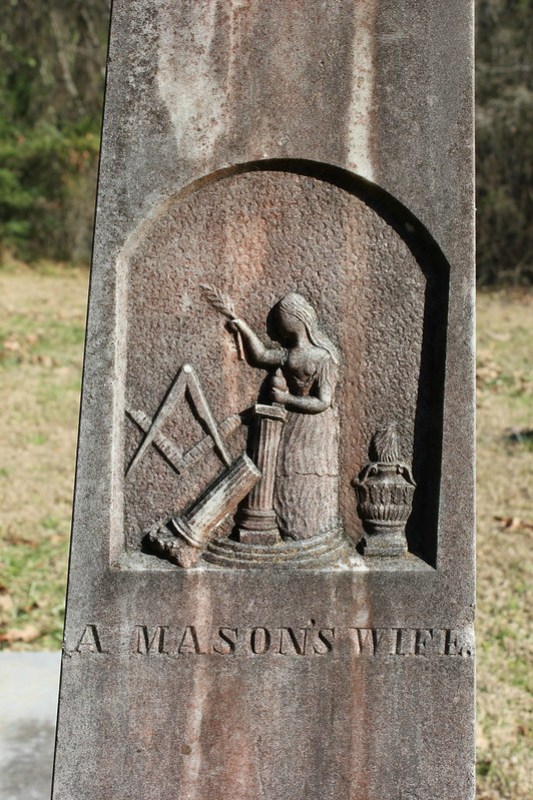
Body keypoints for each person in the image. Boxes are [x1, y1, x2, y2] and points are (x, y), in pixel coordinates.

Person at [229, 292, 340, 540]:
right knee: (286, 472)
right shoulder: (288, 355)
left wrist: (285, 399)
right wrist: (243, 327)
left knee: (310, 475)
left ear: (297, 318)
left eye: (281, 319)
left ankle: (312, 530)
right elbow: (259, 356)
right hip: (291, 426)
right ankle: (290, 527)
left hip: (315, 428)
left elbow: (323, 401)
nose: (276, 327)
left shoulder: (324, 357)